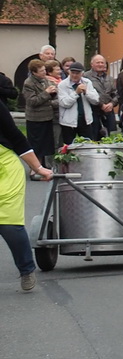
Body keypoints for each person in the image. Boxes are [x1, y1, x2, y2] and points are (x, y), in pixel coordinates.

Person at [1, 104, 56, 292]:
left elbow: (17, 138)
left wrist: (39, 168)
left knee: (8, 223)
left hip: (4, 170)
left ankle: (26, 269)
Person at [19, 60, 58, 162]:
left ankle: (44, 165)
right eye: (41, 71)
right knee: (37, 146)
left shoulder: (46, 80)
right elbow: (32, 101)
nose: (44, 72)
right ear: (34, 72)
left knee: (46, 145)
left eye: (44, 70)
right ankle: (35, 168)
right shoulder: (28, 83)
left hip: (47, 117)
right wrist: (46, 92)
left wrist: (54, 92)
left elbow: (53, 97)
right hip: (35, 120)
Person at [56, 62, 103, 146]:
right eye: (72, 73)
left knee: (88, 145)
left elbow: (96, 100)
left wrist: (86, 92)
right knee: (68, 147)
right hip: (68, 122)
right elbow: (64, 103)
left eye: (77, 73)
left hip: (85, 121)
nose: (74, 75)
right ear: (69, 72)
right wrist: (76, 93)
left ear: (82, 73)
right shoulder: (62, 85)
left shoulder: (87, 82)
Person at [85, 54, 116, 134]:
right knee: (95, 137)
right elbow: (87, 94)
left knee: (111, 136)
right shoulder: (85, 77)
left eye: (102, 63)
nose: (100, 64)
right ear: (92, 64)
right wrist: (101, 105)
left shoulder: (110, 78)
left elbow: (116, 94)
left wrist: (112, 104)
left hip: (109, 111)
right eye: (98, 62)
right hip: (93, 111)